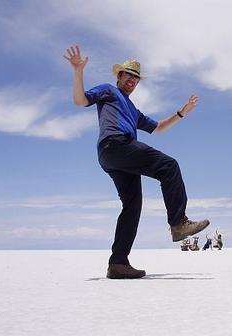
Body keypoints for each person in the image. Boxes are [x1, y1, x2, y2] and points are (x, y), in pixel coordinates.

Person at [64, 45, 210, 279]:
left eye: (136, 78)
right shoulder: (108, 91)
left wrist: (181, 113)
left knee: (132, 205)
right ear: (119, 75)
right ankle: (178, 223)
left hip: (116, 157)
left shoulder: (132, 110)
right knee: (168, 166)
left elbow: (159, 127)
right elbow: (80, 101)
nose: (132, 81)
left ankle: (118, 264)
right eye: (128, 76)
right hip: (115, 145)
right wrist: (78, 71)